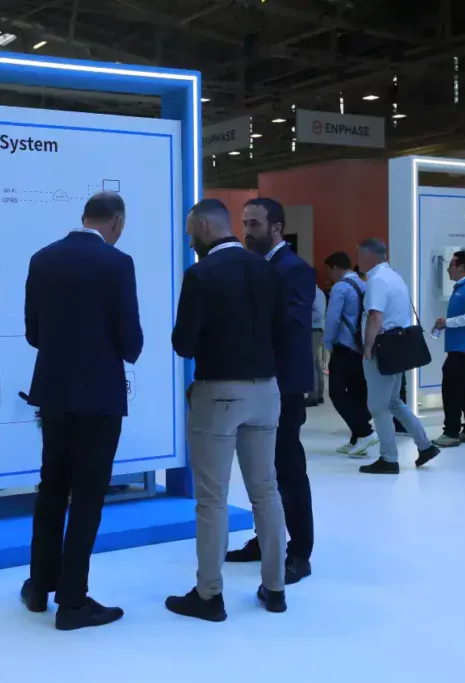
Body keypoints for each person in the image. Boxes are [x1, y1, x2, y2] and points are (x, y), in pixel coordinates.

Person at [21, 192, 143, 631]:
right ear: (117, 221)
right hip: (99, 397)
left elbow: (33, 333)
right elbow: (130, 342)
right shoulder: (117, 263)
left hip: (53, 392)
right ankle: (72, 602)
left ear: (84, 217)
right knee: (88, 497)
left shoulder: (42, 258)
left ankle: (40, 586)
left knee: (51, 488)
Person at [165, 199, 287, 620]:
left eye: (190, 232)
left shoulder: (200, 274)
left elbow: (183, 344)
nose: (190, 241)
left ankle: (209, 595)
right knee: (266, 490)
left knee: (212, 498)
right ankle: (275, 588)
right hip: (266, 391)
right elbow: (282, 332)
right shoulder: (266, 269)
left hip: (217, 393)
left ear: (203, 226)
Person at [227, 198, 315, 585]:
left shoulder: (294, 270)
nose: (246, 231)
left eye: (254, 224)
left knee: (287, 468)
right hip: (258, 383)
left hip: (283, 385)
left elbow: (291, 327)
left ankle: (299, 551)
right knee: (262, 470)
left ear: (276, 227)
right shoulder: (256, 267)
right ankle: (267, 539)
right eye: (244, 223)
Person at [355, 239, 440, 474]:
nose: (357, 260)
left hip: (382, 347)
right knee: (393, 402)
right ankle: (425, 446)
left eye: (359, 255)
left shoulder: (377, 280)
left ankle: (389, 458)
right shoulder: (394, 276)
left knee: (378, 406)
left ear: (370, 256)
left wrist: (367, 348)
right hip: (398, 347)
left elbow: (375, 317)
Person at [322, 251, 377, 456]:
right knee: (357, 393)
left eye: (330, 270)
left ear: (336, 267)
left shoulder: (340, 287)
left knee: (336, 393)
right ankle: (357, 440)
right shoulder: (363, 285)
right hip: (360, 347)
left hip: (343, 347)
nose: (330, 275)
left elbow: (333, 318)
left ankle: (365, 432)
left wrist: (327, 342)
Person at [432, 250, 465, 448]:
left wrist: (448, 322)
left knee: (452, 389)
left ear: (461, 267)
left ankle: (451, 432)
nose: (448, 269)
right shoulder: (460, 288)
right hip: (459, 346)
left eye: (450, 266)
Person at [306, 284, 326, 406]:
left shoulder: (314, 292)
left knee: (311, 362)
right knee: (316, 362)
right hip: (317, 329)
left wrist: (302, 316)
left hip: (313, 329)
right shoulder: (318, 292)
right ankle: (318, 393)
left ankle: (312, 395)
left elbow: (318, 314)